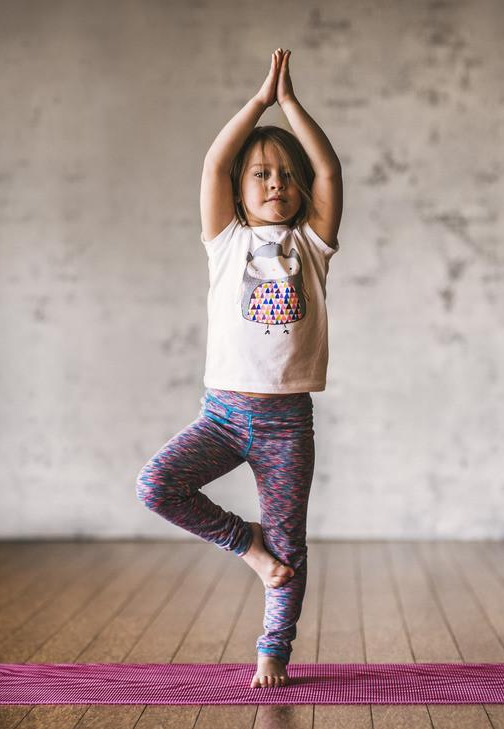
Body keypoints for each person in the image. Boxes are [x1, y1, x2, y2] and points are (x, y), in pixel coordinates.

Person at [136, 48, 343, 688]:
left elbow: (331, 170)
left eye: (285, 174)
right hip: (223, 416)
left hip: (286, 424)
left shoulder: (312, 243)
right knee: (156, 488)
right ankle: (245, 546)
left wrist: (292, 107)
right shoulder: (225, 241)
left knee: (291, 549)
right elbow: (213, 162)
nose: (275, 182)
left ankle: (273, 650)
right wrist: (259, 101)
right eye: (260, 174)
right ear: (239, 189)